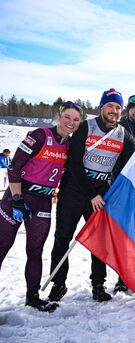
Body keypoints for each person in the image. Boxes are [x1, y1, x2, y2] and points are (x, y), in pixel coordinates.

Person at [48, 88, 135, 303]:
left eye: (117, 107)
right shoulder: (86, 127)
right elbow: (75, 164)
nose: (113, 111)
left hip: (100, 190)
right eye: (110, 106)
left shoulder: (123, 133)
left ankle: (98, 284)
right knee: (63, 237)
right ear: (101, 107)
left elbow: (134, 160)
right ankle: (58, 284)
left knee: (100, 240)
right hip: (75, 188)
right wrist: (91, 194)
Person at [0, 101, 82, 312]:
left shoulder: (71, 145)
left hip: (43, 202)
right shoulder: (39, 135)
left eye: (76, 120)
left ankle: (33, 297)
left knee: (35, 251)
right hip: (17, 199)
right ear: (59, 116)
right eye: (67, 117)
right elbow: (14, 168)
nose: (71, 123)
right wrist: (17, 199)